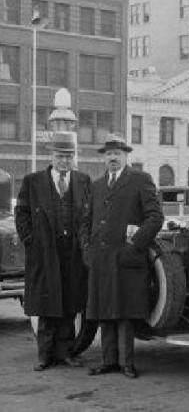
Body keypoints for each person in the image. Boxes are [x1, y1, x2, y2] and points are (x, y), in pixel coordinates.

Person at [80, 133, 163, 379]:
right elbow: (85, 221)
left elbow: (155, 217)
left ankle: (127, 363)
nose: (112, 158)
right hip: (101, 260)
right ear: (103, 159)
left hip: (128, 258)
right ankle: (109, 362)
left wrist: (135, 245)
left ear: (126, 156)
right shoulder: (96, 186)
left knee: (125, 312)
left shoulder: (140, 180)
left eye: (117, 153)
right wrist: (86, 248)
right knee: (105, 310)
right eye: (108, 154)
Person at [14, 132, 91, 371]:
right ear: (52, 156)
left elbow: (89, 215)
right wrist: (31, 242)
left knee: (69, 305)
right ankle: (45, 356)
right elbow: (22, 214)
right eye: (60, 156)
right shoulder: (33, 181)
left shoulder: (83, 180)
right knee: (47, 307)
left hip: (73, 255)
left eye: (69, 156)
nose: (65, 161)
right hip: (45, 254)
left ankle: (66, 352)